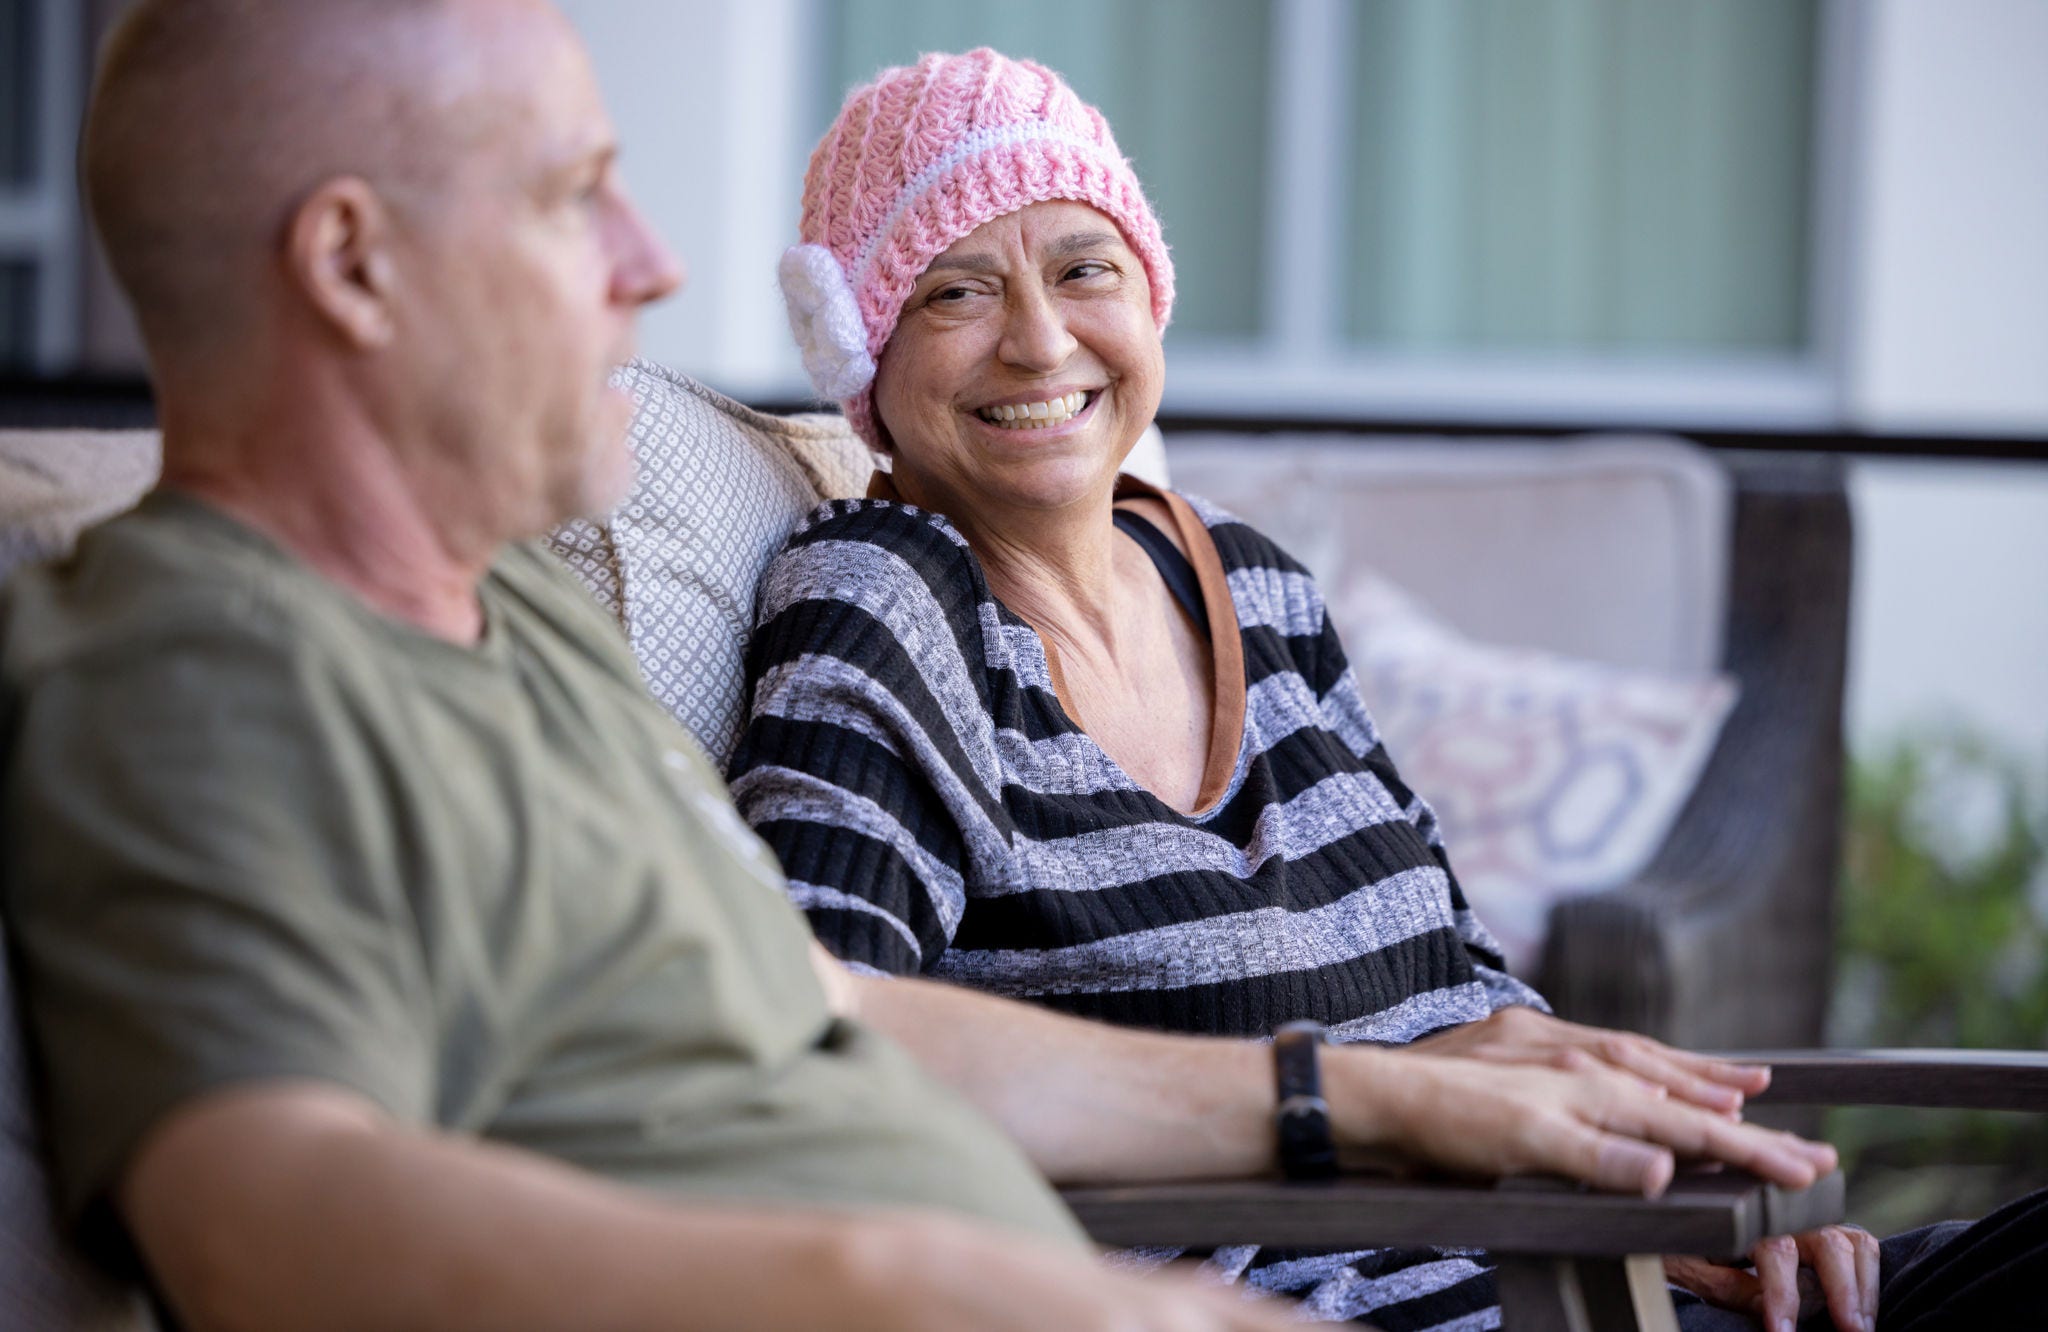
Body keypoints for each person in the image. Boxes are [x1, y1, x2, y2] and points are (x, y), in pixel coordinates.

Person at [0, 5, 1851, 1330]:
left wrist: (1382, 1095)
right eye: (577, 196)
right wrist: (994, 1295)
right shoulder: (190, 667)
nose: (650, 267)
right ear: (352, 263)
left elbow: (842, 1017)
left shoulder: (512, 633)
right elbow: (270, 1231)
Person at [734, 49, 2046, 1332]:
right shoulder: (881, 599)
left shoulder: (1251, 584)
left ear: (1149, 299)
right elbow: (819, 1048)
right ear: (861, 354)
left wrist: (1684, 1185)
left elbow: (1461, 981)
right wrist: (1367, 1105)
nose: (1039, 340)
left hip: (1595, 1267)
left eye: (1087, 270)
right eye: (956, 293)